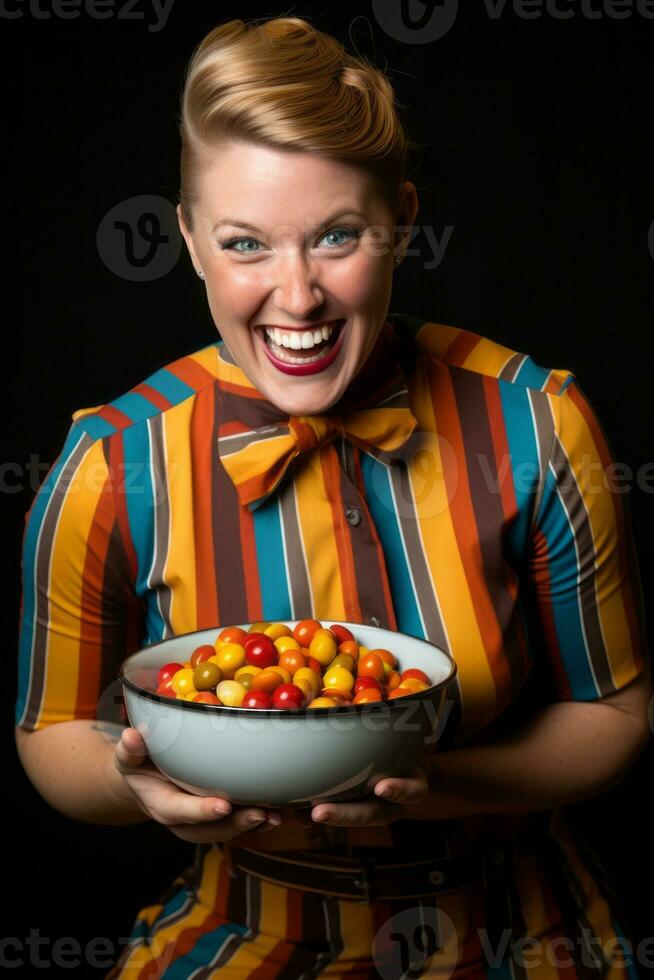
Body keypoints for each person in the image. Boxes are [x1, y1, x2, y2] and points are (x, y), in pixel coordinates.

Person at [15, 14, 651, 980]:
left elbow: (617, 719)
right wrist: (130, 780)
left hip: (522, 926)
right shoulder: (112, 461)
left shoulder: (538, 424)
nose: (298, 295)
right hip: (246, 925)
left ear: (400, 217)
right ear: (188, 240)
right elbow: (50, 732)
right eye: (245, 244)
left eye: (338, 236)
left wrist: (433, 785)